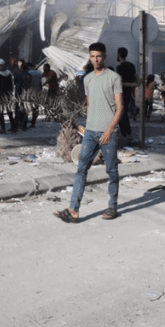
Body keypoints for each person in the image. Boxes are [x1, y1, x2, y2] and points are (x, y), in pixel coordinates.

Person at [54, 42, 123, 223]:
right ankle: (74, 210)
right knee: (81, 169)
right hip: (91, 132)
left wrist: (109, 131)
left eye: (98, 56)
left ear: (104, 56)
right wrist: (85, 125)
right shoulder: (88, 78)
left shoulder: (114, 78)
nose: (95, 59)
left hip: (109, 132)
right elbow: (89, 104)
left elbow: (120, 107)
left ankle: (113, 206)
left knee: (112, 170)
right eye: (92, 56)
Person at [116, 47, 137, 141]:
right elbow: (135, 79)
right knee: (124, 113)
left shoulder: (120, 67)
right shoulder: (132, 66)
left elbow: (119, 82)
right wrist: (132, 85)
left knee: (121, 113)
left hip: (121, 93)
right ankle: (128, 133)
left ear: (119, 55)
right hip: (129, 93)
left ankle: (125, 134)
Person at [0, 59, 16, 134]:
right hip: (8, 95)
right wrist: (12, 93)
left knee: (0, 112)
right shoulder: (9, 72)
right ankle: (13, 127)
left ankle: (3, 128)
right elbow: (12, 84)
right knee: (10, 111)